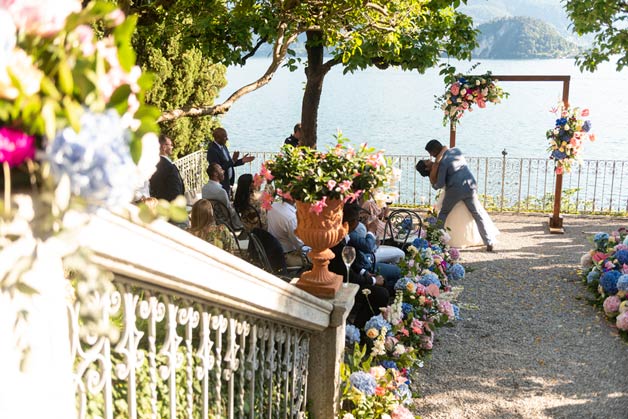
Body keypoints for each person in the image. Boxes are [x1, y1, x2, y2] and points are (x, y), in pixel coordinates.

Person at [419, 139, 497, 251]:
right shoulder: (457, 150)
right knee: (477, 214)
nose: (431, 156)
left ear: (435, 151)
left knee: (443, 213)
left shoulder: (442, 163)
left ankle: (437, 240)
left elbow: (440, 184)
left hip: (455, 190)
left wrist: (433, 184)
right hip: (470, 185)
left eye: (430, 153)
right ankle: (488, 242)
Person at [328, 206, 390, 329]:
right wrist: (372, 281)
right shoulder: (337, 240)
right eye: (358, 220)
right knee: (381, 294)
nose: (360, 223)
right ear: (351, 223)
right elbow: (347, 275)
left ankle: (372, 325)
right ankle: (361, 328)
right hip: (341, 284)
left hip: (348, 276)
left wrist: (365, 273)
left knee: (384, 285)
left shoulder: (344, 235)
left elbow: (351, 261)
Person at [344, 203, 402, 294]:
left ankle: (385, 287)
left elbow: (369, 247)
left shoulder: (352, 232)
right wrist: (370, 231)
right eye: (359, 219)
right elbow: (367, 247)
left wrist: (364, 273)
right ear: (352, 221)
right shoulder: (349, 234)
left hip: (365, 263)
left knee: (396, 268)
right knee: (398, 271)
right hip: (366, 265)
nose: (360, 221)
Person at [206, 127, 255, 197]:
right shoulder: (212, 151)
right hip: (221, 183)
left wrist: (242, 161)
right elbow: (217, 169)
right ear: (217, 138)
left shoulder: (224, 147)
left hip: (228, 182)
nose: (227, 139)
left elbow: (230, 163)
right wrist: (233, 160)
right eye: (225, 137)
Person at [202, 163, 243, 230]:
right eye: (221, 169)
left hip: (212, 219)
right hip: (225, 222)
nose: (223, 171)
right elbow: (229, 212)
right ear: (215, 174)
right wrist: (234, 207)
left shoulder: (204, 189)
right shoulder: (221, 191)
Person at [266, 197, 305, 268]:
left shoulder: (273, 205)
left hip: (272, 249)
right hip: (285, 256)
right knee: (318, 258)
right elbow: (301, 245)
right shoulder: (291, 218)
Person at [149, 134, 185, 201]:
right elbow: (175, 189)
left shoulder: (153, 164)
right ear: (164, 147)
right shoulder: (168, 166)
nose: (172, 147)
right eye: (170, 145)